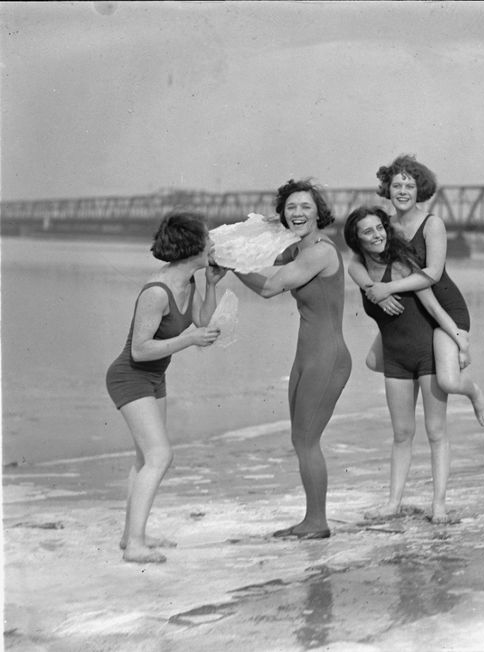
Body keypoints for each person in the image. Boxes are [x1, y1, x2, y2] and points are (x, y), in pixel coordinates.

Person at [233, 179, 351, 540]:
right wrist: (258, 232)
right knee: (300, 439)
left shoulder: (319, 252)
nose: (298, 213)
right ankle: (311, 518)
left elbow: (269, 287)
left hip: (327, 357)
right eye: (291, 208)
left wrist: (230, 264)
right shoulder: (300, 248)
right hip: (308, 356)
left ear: (319, 212)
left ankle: (317, 522)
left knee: (306, 440)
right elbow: (266, 257)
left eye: (306, 207)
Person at [106, 211, 226, 563]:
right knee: (161, 456)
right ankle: (136, 547)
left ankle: (131, 536)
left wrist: (213, 285)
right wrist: (189, 339)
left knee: (146, 457)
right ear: (193, 247)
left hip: (155, 377)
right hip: (131, 375)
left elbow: (202, 324)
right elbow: (139, 350)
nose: (214, 244)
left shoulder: (188, 282)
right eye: (209, 239)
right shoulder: (156, 292)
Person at [345, 206, 469, 524]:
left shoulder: (401, 266)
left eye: (380, 228)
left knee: (435, 432)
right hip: (396, 359)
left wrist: (458, 339)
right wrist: (374, 293)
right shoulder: (359, 270)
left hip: (427, 353)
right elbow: (356, 272)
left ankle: (438, 505)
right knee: (401, 434)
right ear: (356, 239)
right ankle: (392, 503)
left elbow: (433, 305)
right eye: (368, 231)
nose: (377, 235)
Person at [348, 154, 484, 427]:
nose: (402, 192)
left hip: (444, 308)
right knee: (372, 361)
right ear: (387, 189)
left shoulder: (432, 224)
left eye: (409, 186)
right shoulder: (384, 225)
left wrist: (387, 287)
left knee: (448, 381)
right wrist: (372, 289)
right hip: (414, 311)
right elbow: (354, 265)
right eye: (397, 185)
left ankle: (474, 391)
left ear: (420, 190)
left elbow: (432, 275)